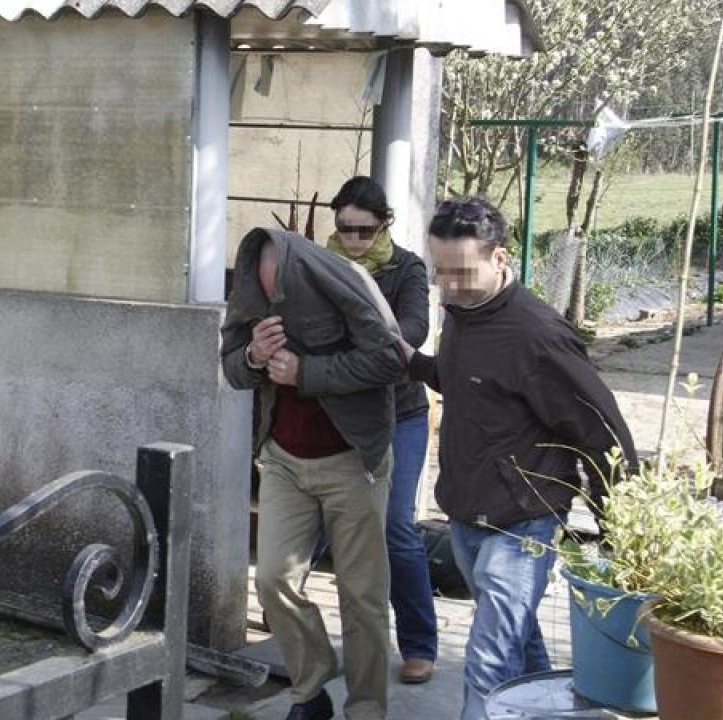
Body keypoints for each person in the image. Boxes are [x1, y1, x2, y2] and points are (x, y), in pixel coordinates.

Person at [401, 197, 637, 720]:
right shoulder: (462, 312)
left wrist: (621, 526)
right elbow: (470, 383)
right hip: (467, 513)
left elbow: (601, 430)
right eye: (442, 272)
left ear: (500, 258)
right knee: (521, 646)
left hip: (522, 523)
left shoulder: (539, 335)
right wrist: (414, 363)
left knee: (489, 662)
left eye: (462, 273)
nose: (450, 286)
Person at [222, 226, 406, 720]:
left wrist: (306, 373)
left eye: (278, 292)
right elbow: (231, 368)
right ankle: (312, 685)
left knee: (362, 595)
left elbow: (391, 360)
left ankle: (366, 708)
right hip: (284, 460)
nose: (272, 301)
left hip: (353, 460)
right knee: (272, 580)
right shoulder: (251, 293)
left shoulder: (347, 280)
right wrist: (253, 356)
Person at [322, 176, 438, 685]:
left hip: (400, 413)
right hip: (341, 412)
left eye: (364, 230)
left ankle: (419, 644)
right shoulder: (320, 265)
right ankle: (353, 642)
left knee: (395, 527)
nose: (353, 239)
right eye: (345, 228)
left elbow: (413, 331)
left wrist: (357, 345)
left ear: (384, 224)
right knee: (338, 527)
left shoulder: (406, 268)